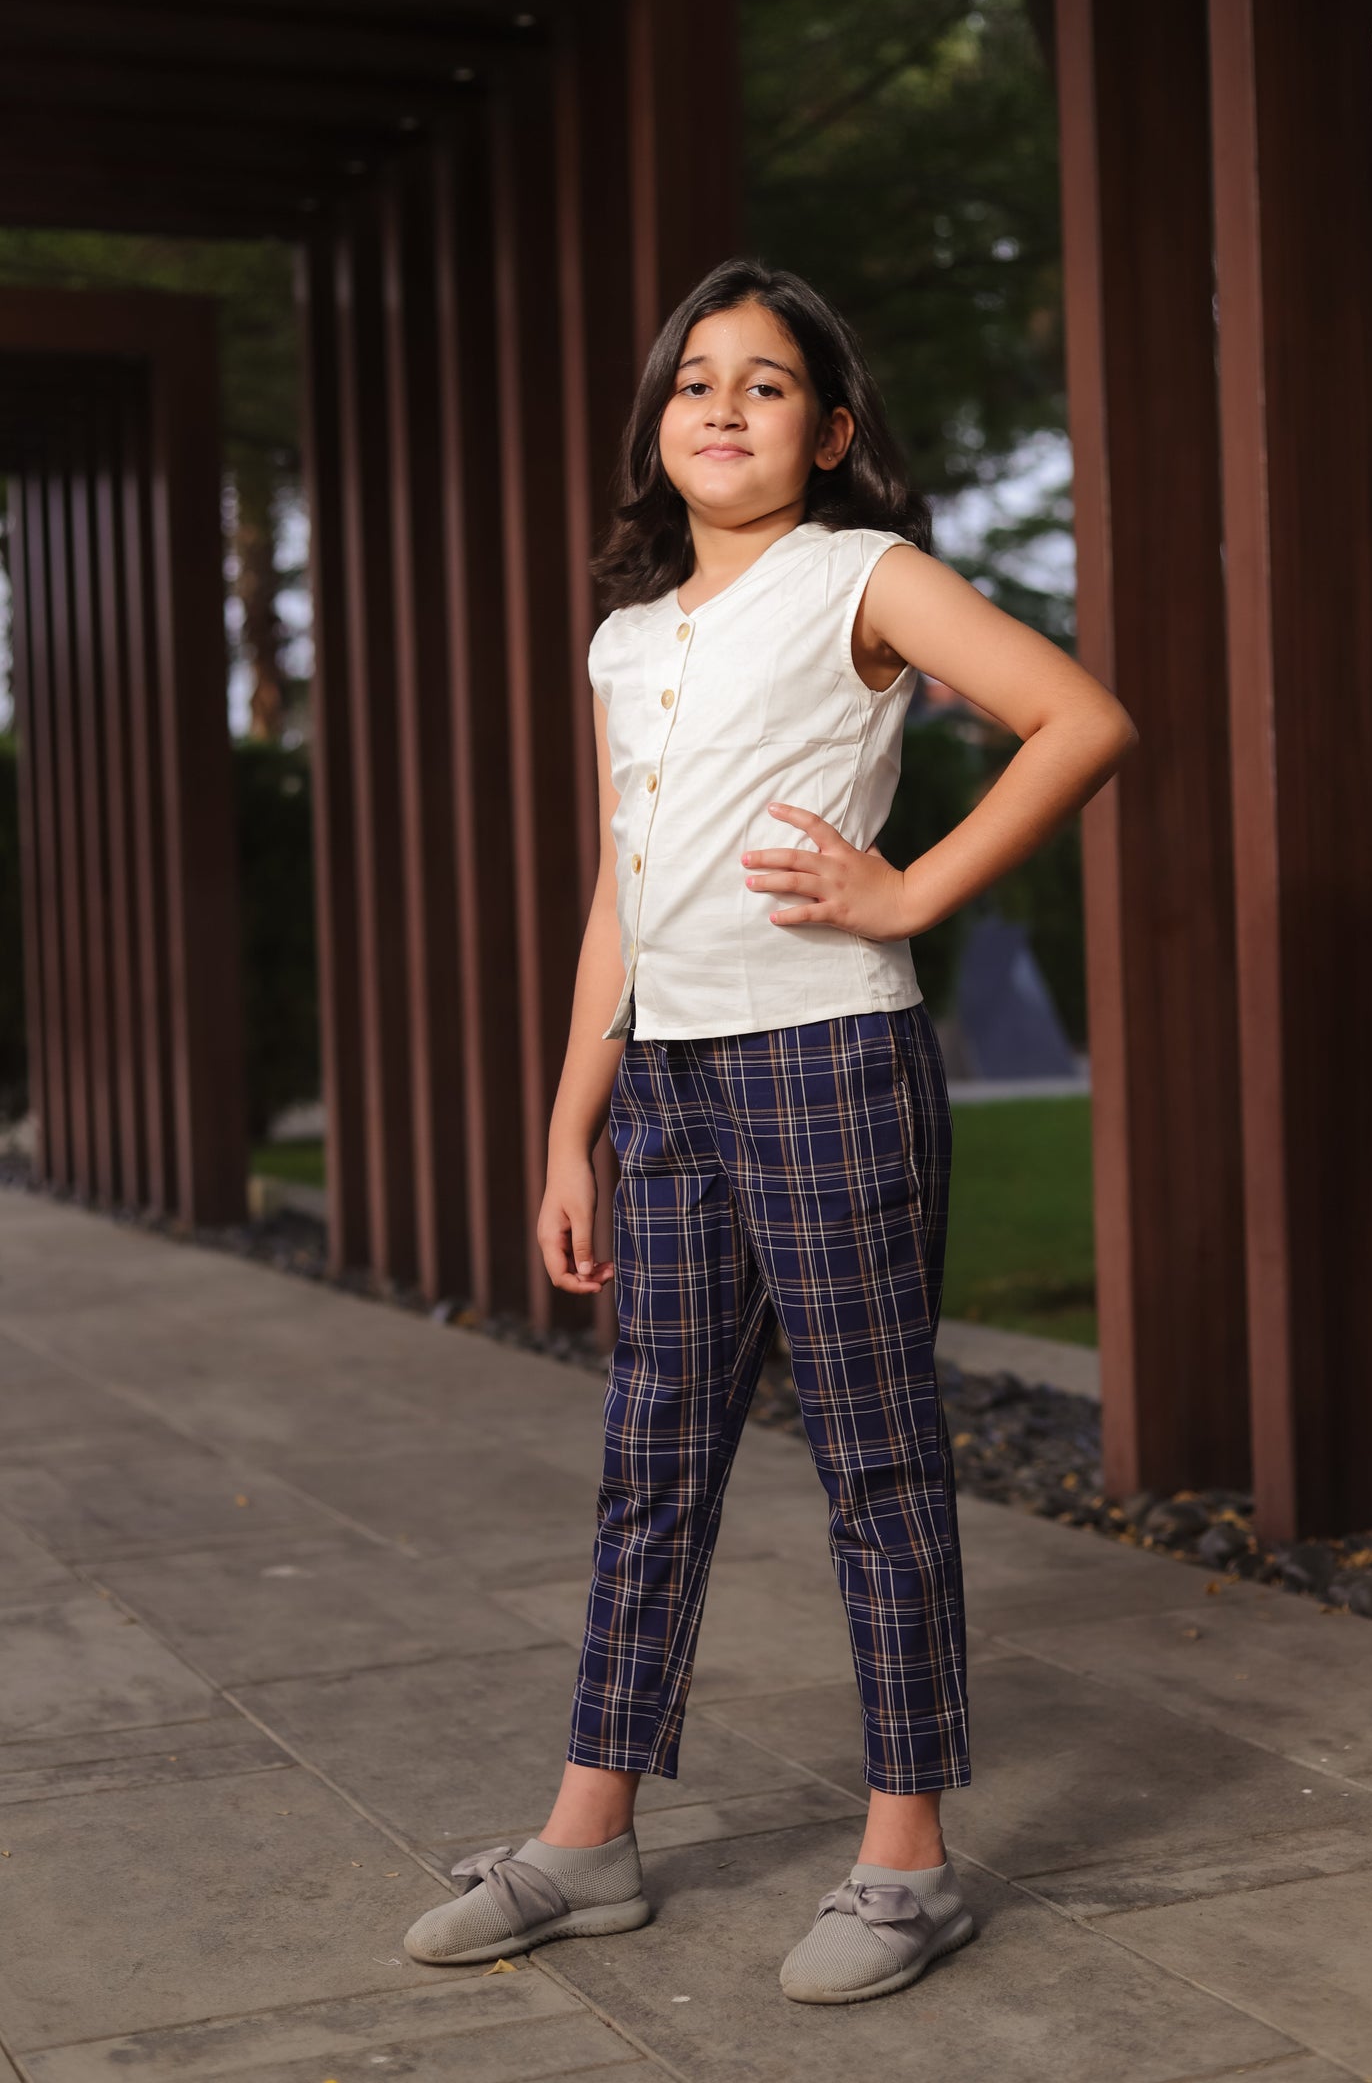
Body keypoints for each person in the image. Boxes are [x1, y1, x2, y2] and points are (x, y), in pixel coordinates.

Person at [405, 257, 1137, 2003]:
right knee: (650, 1462)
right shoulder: (626, 637)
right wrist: (569, 1130)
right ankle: (587, 1841)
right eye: (693, 380)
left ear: (827, 432)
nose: (722, 405)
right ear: (657, 427)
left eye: (765, 382)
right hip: (665, 1083)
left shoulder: (861, 577)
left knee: (876, 1464)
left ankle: (906, 1867)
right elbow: (622, 893)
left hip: (827, 1065)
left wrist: (907, 895)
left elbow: (1082, 720)